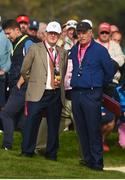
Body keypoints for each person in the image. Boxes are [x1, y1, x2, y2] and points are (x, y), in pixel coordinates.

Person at [69, 21, 116, 171]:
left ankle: (97, 162)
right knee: (81, 128)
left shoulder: (100, 50)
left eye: (84, 32)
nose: (81, 35)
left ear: (91, 33)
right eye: (79, 32)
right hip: (76, 93)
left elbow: (110, 71)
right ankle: (87, 159)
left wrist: (97, 84)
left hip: (91, 93)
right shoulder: (74, 49)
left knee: (93, 128)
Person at [17, 21, 67, 160]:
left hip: (55, 94)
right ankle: (27, 151)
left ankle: (51, 154)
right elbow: (24, 70)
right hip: (38, 92)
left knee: (53, 126)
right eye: (50, 33)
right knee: (32, 123)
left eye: (55, 34)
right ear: (45, 34)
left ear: (59, 35)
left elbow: (62, 72)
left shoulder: (63, 52)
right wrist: (34, 82)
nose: (52, 36)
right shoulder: (34, 48)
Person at [0, 19, 33, 150]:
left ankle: (7, 145)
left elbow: (32, 63)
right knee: (20, 121)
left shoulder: (28, 42)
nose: (7, 36)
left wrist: (20, 81)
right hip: (15, 86)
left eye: (9, 33)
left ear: (17, 30)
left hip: (22, 86)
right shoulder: (14, 44)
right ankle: (29, 146)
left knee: (5, 114)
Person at [96, 22, 125, 151]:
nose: (104, 34)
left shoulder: (114, 45)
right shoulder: (94, 44)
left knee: (112, 117)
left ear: (109, 33)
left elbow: (121, 58)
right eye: (102, 32)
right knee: (95, 116)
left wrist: (109, 63)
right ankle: (95, 141)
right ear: (98, 33)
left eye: (106, 32)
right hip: (96, 84)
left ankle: (102, 140)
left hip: (112, 84)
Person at [0, 17, 12, 110]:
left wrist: (4, 70)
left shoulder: (5, 35)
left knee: (2, 107)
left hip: (2, 77)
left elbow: (11, 53)